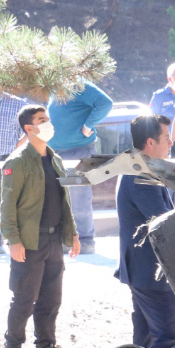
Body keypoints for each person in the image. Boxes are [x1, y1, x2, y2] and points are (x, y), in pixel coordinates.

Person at [1, 104, 81, 348]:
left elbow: (64, 200)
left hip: (54, 240)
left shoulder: (54, 158)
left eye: (48, 118)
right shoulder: (18, 161)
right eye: (42, 120)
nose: (49, 123)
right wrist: (13, 240)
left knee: (51, 300)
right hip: (29, 242)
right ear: (29, 128)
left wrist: (73, 234)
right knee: (24, 300)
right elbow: (7, 205)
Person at [117, 115, 175, 348]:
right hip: (149, 270)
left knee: (144, 340)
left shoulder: (142, 168)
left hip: (142, 270)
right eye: (166, 138)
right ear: (150, 142)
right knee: (169, 336)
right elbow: (164, 221)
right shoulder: (141, 174)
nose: (171, 143)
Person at [47, 80, 113, 255]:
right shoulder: (54, 85)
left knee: (79, 198)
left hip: (78, 151)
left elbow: (106, 103)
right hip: (55, 152)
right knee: (57, 198)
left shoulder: (79, 85)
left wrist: (87, 126)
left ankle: (85, 241)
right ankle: (65, 240)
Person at [0, 86, 30, 256]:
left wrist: (17, 146)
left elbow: (33, 127)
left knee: (4, 202)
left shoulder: (17, 104)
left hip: (5, 160)